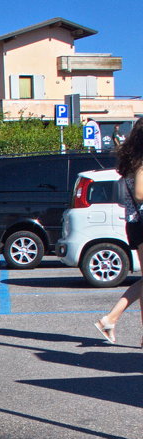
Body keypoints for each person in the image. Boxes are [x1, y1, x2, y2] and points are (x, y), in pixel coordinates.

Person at [94, 121, 143, 347]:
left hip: (135, 223)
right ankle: (110, 318)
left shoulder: (132, 160)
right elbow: (140, 193)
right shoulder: (141, 162)